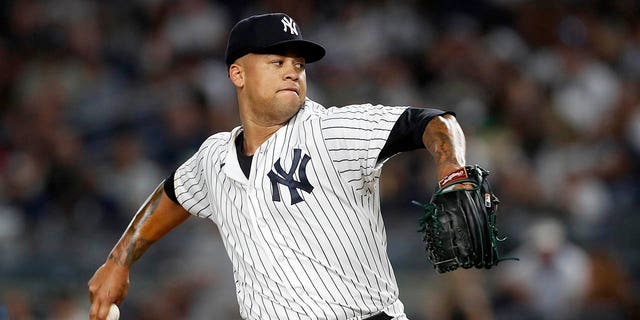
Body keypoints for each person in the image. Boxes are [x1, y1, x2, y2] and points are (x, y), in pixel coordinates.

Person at [88, 12, 469, 320]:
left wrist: (452, 169)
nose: (293, 71)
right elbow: (173, 194)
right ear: (237, 74)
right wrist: (118, 261)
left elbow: (432, 122)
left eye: (299, 63)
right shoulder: (214, 157)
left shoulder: (328, 130)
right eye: (277, 61)